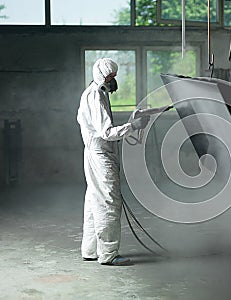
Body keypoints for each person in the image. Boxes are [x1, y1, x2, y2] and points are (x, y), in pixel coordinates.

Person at [77, 58, 150, 266]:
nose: (112, 80)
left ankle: (90, 250)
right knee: (109, 201)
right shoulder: (96, 95)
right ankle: (109, 254)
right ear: (101, 76)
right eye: (110, 77)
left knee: (93, 201)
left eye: (114, 77)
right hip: (100, 154)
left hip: (94, 152)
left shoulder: (95, 92)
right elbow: (106, 132)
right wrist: (133, 126)